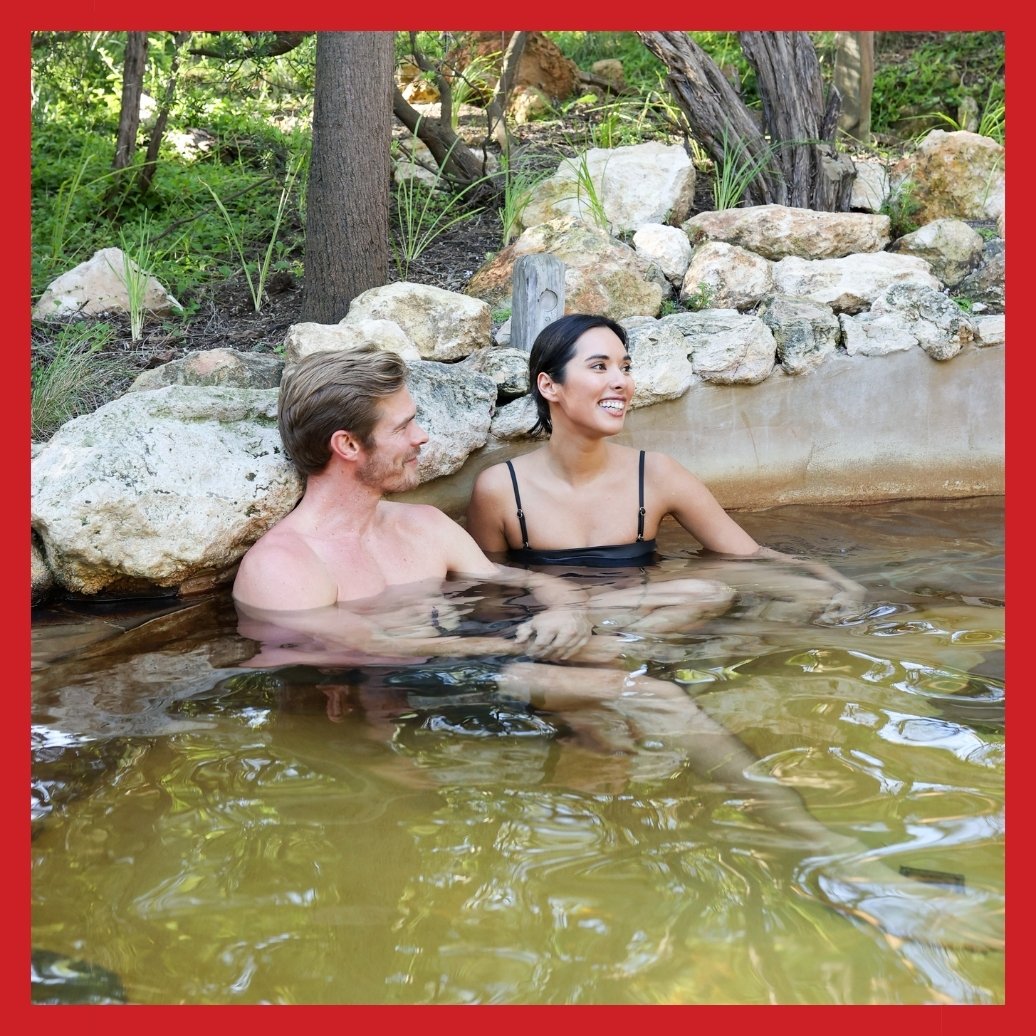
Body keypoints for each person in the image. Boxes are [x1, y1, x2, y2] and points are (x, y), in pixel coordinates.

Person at [232, 344, 732, 666]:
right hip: (417, 684)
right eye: (404, 426)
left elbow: (521, 580)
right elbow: (380, 648)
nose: (422, 437)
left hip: (482, 650)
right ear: (347, 446)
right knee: (644, 692)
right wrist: (533, 642)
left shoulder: (424, 524)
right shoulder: (284, 567)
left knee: (705, 592)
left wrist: (566, 611)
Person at [465, 313, 867, 628]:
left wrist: (826, 576)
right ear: (550, 386)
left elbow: (747, 555)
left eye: (625, 367)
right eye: (599, 367)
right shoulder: (501, 490)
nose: (621, 381)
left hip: (643, 622)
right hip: (555, 630)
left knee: (721, 592)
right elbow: (489, 592)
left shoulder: (655, 475)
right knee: (704, 592)